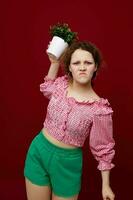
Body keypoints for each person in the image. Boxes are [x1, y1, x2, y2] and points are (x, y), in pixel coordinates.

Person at [24, 41, 115, 200]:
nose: (82, 67)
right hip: (39, 151)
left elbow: (103, 149)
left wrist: (105, 185)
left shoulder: (100, 109)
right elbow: (47, 87)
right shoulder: (61, 85)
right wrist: (54, 63)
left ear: (95, 67)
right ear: (70, 68)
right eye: (76, 63)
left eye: (87, 62)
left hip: (67, 164)